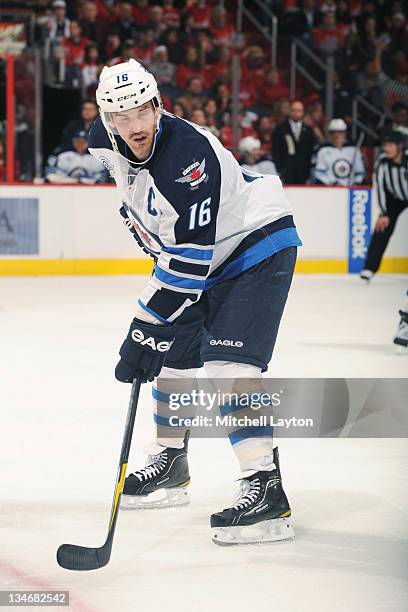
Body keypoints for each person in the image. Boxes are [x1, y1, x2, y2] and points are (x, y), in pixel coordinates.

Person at [88, 59, 301, 545]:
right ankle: (170, 462)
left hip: (254, 244)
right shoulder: (106, 143)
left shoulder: (186, 157)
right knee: (171, 358)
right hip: (203, 256)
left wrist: (141, 326)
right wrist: (152, 331)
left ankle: (265, 487)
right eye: (122, 117)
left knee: (227, 363)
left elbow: (188, 264)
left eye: (143, 110)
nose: (135, 125)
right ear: (106, 120)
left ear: (158, 105)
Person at [360, 132, 408, 281]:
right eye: (385, 145)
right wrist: (384, 213)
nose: (386, 148)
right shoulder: (382, 162)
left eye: (390, 145)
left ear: (400, 146)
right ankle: (369, 268)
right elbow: (379, 187)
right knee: (381, 227)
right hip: (394, 200)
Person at [272, 100, 316, 184]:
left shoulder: (309, 130)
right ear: (290, 111)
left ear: (303, 112)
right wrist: (280, 170)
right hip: (286, 172)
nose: (296, 113)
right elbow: (276, 150)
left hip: (303, 173)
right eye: (293, 110)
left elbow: (310, 152)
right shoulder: (280, 128)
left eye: (299, 111)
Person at [313, 118, 365, 185]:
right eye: (333, 132)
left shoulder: (353, 150)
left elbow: (360, 172)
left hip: (351, 189)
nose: (337, 135)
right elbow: (319, 172)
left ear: (345, 133)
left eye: (340, 132)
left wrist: (356, 183)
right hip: (330, 189)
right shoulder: (323, 150)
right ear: (330, 134)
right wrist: (331, 183)